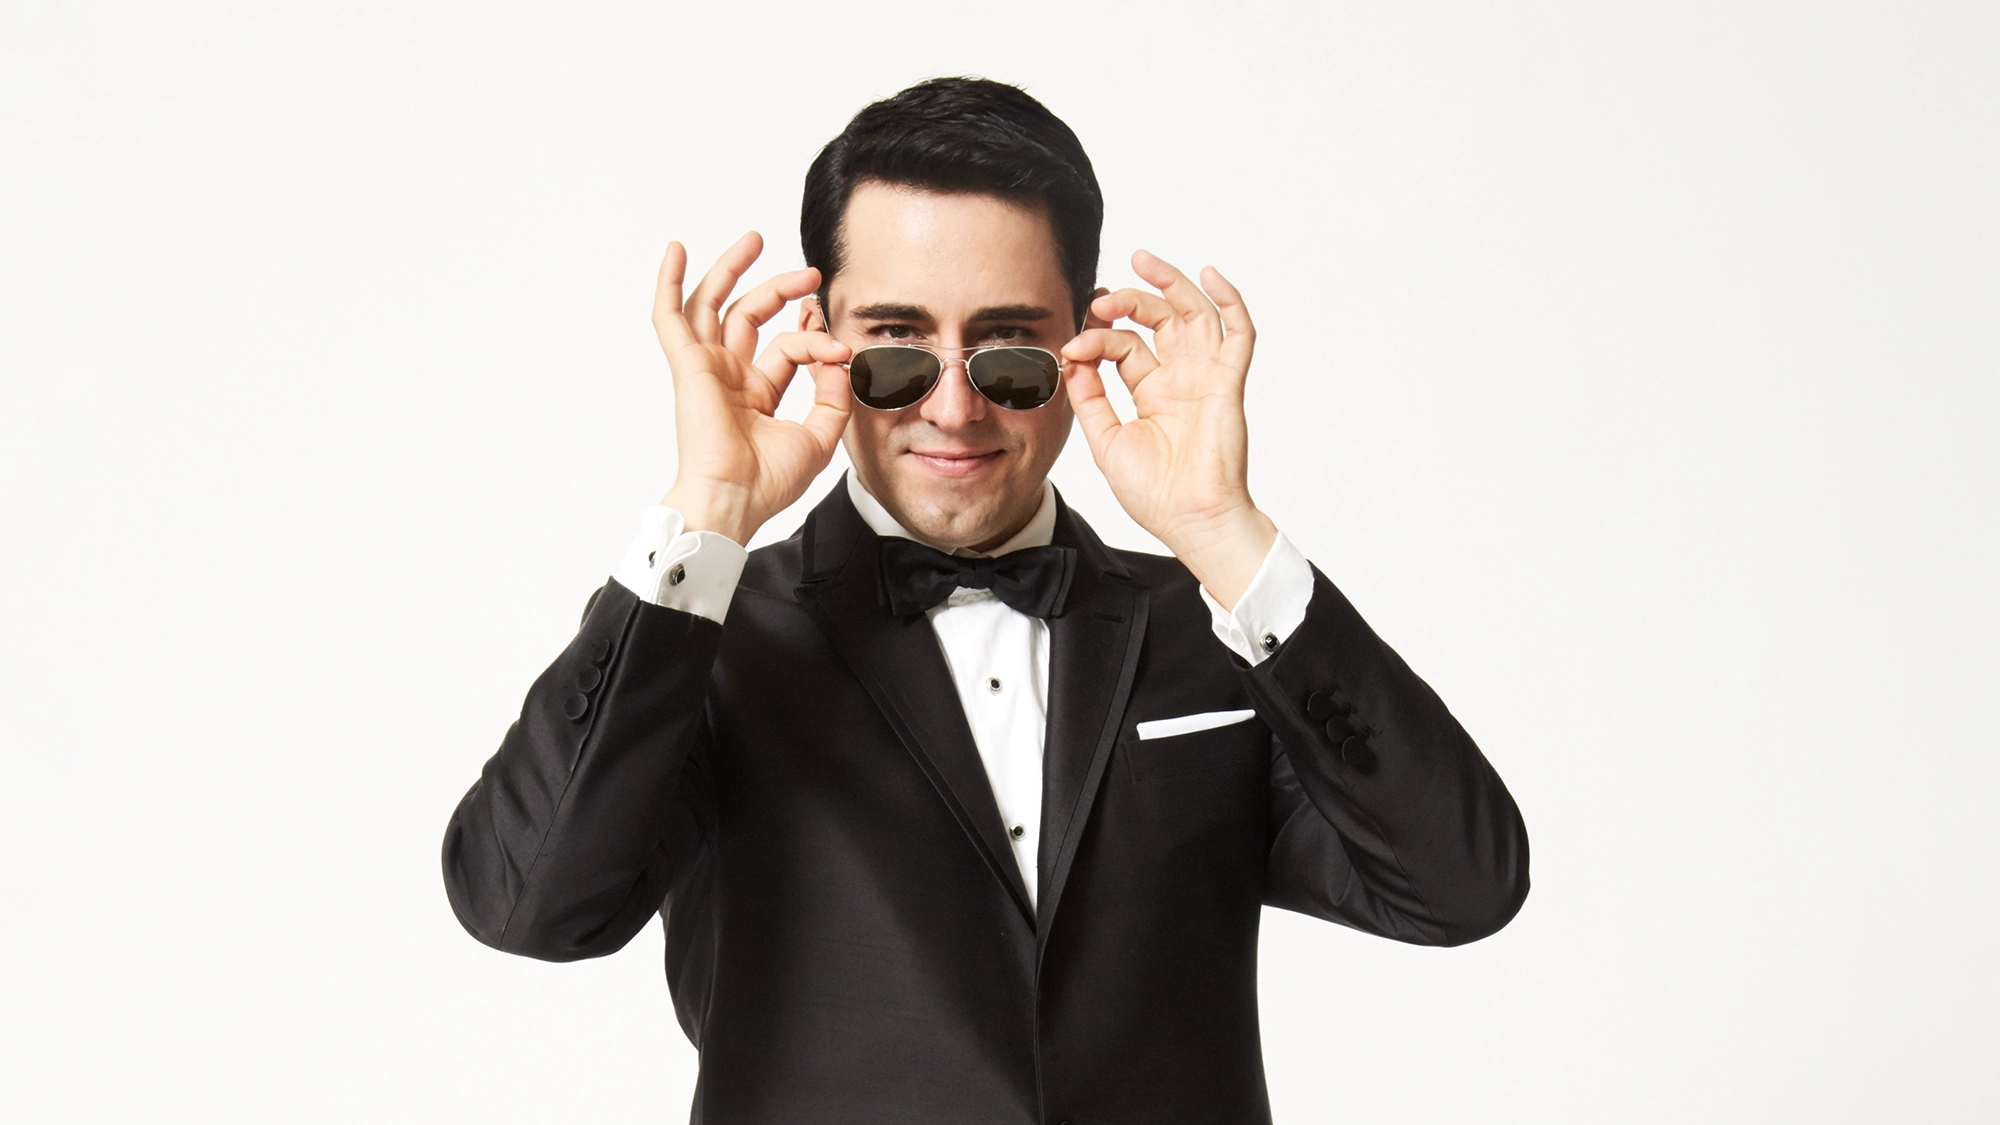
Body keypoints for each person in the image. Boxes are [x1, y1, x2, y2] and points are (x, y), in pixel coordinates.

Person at [442, 77, 1528, 1124]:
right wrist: (709, 508)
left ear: (1083, 340)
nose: (954, 408)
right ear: (824, 336)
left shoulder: (1213, 631)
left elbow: (1459, 886)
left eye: (1008, 347)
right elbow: (525, 905)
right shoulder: (707, 645)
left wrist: (1223, 534)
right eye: (896, 344)